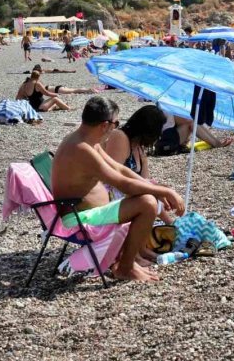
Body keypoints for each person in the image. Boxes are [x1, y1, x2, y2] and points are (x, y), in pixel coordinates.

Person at [52, 97, 185, 282]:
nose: (116, 128)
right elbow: (121, 183)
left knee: (149, 198)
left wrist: (156, 188)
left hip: (87, 211)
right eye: (116, 123)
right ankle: (125, 267)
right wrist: (163, 192)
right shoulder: (82, 149)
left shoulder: (87, 141)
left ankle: (129, 260)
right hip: (80, 218)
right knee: (147, 203)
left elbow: (120, 169)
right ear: (105, 125)